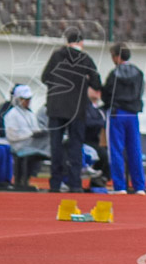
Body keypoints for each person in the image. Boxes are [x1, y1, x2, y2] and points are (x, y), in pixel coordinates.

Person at [41, 27, 102, 193]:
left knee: (56, 146)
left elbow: (44, 77)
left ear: (67, 41)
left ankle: (55, 183)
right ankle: (75, 184)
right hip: (77, 109)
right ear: (81, 42)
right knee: (76, 146)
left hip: (55, 107)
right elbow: (97, 83)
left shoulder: (56, 56)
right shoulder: (85, 59)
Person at [101, 42, 146, 196]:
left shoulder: (114, 74)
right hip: (132, 114)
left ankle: (120, 186)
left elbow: (106, 93)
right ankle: (140, 186)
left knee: (116, 150)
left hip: (117, 113)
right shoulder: (138, 73)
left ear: (116, 56)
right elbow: (140, 92)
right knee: (135, 150)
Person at [4, 85, 49, 192]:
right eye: (24, 99)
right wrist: (30, 134)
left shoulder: (30, 114)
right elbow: (11, 136)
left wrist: (38, 134)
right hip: (18, 145)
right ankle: (21, 180)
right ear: (17, 99)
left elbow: (36, 129)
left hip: (30, 143)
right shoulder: (12, 114)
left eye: (28, 99)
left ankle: (27, 179)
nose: (27, 102)